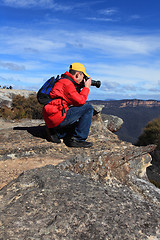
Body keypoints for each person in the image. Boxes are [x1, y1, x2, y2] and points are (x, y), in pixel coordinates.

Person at [43, 62, 94, 148]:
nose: (83, 79)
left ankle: (56, 133)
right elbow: (80, 101)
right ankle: (78, 140)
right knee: (88, 108)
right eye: (83, 77)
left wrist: (79, 87)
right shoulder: (67, 84)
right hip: (57, 116)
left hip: (52, 116)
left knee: (75, 126)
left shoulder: (62, 81)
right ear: (78, 75)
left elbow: (73, 101)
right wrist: (86, 88)